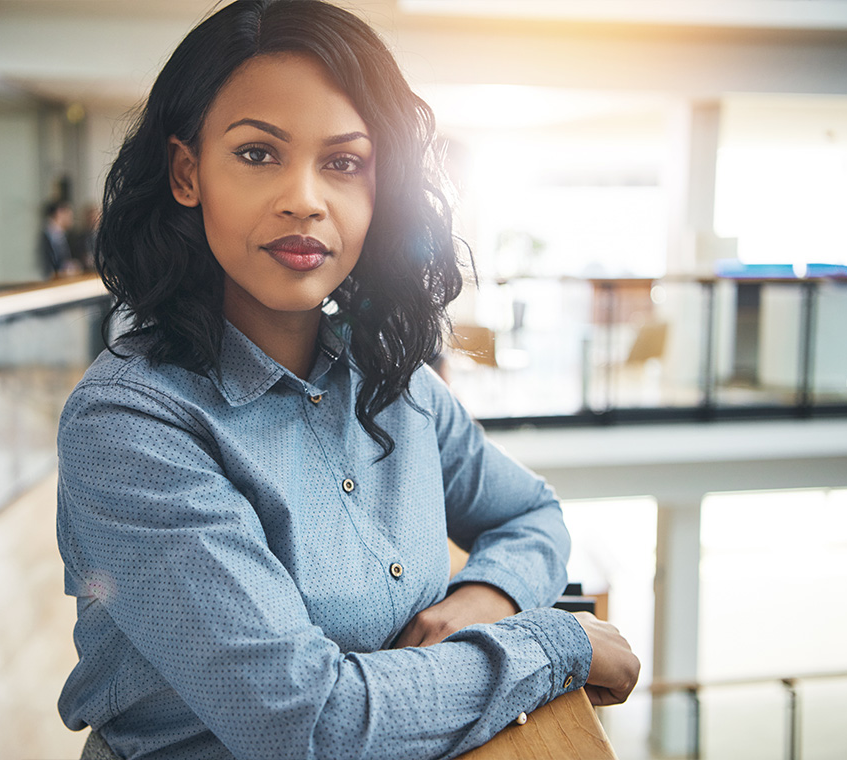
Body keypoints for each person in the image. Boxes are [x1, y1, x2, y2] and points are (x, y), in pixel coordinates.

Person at [55, 2, 639, 759]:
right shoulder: (128, 426)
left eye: (344, 162)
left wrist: (484, 598)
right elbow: (307, 723)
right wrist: (553, 644)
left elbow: (532, 514)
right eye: (259, 154)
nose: (306, 198)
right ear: (187, 173)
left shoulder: (391, 379)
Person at [40, 199, 80, 277]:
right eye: (69, 214)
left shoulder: (64, 235)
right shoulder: (45, 236)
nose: (72, 218)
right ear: (59, 213)